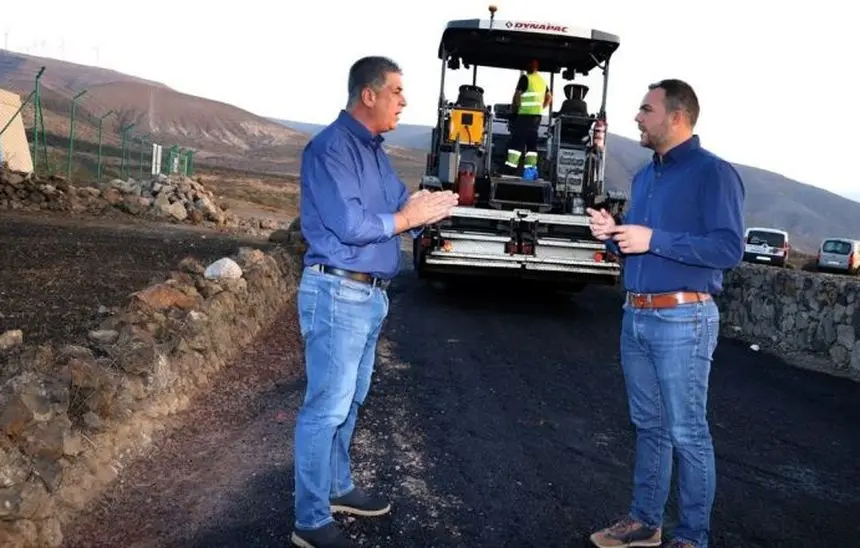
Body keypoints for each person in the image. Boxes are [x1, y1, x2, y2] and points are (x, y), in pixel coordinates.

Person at [291, 56, 459, 548]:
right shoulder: (330, 150)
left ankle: (338, 487)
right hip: (337, 291)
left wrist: (431, 210)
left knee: (351, 400)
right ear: (369, 94)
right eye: (397, 92)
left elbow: (398, 205)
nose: (404, 101)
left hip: (368, 296)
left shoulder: (375, 152)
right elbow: (351, 223)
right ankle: (309, 519)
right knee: (325, 407)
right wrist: (408, 218)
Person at [586, 79, 745, 548]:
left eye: (645, 109)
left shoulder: (713, 173)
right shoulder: (644, 176)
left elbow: (728, 248)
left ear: (676, 117)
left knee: (687, 432)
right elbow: (640, 252)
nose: (637, 117)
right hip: (636, 315)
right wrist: (615, 236)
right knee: (649, 425)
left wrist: (654, 239)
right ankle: (645, 522)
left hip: (684, 320)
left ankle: (692, 537)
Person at [504, 59, 552, 175]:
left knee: (517, 142)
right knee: (531, 143)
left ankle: (510, 168)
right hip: (536, 118)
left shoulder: (525, 78)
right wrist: (541, 107)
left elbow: (517, 96)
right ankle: (530, 170)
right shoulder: (542, 81)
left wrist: (514, 111)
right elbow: (549, 97)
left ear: (530, 67)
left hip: (524, 115)